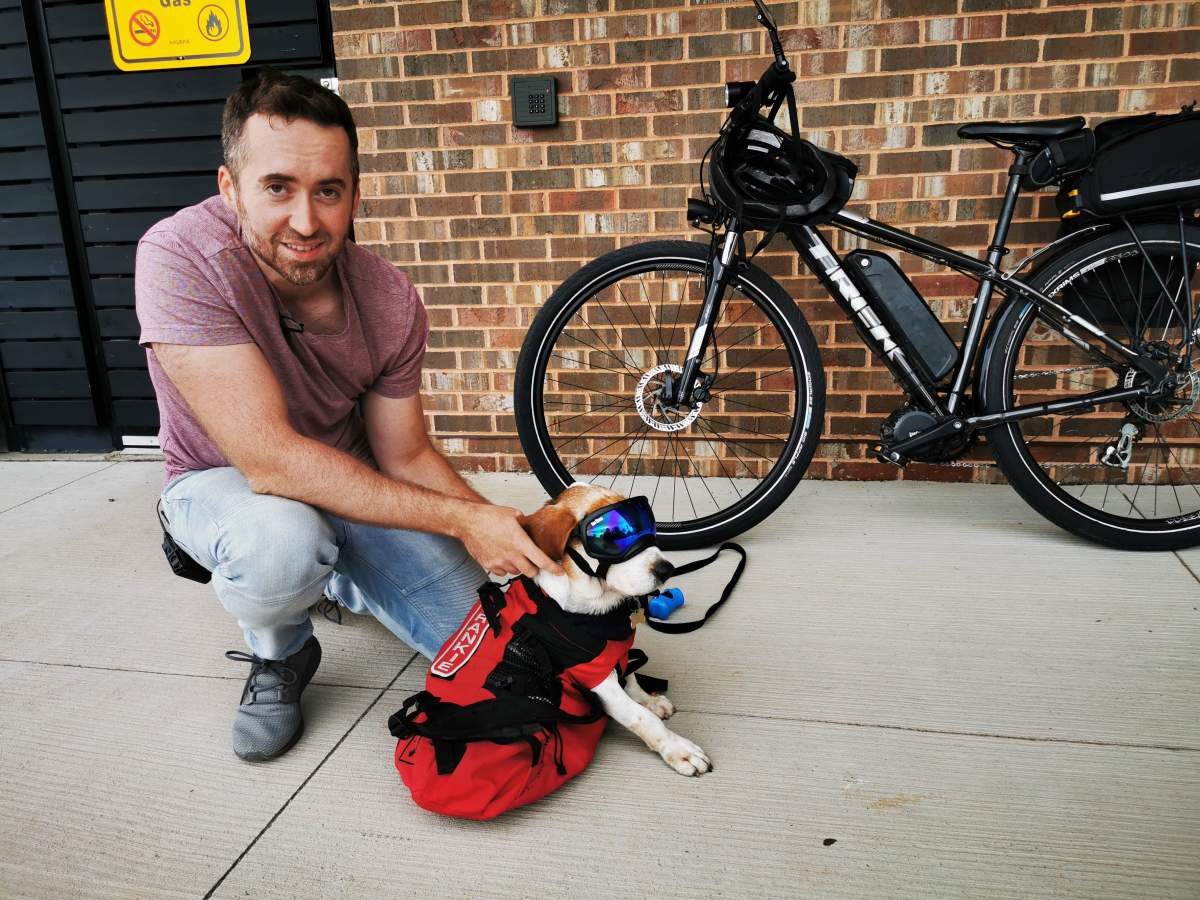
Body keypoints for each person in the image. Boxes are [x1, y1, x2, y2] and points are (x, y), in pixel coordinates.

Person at [135, 69, 560, 763]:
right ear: (229, 187)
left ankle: (335, 575)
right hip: (229, 480)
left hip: (351, 480)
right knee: (280, 544)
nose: (306, 222)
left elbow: (405, 455)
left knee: (512, 649)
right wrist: (459, 521)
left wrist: (503, 533)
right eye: (277, 188)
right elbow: (269, 460)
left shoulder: (390, 298)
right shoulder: (179, 257)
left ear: (354, 195)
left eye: (328, 191)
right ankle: (282, 652)